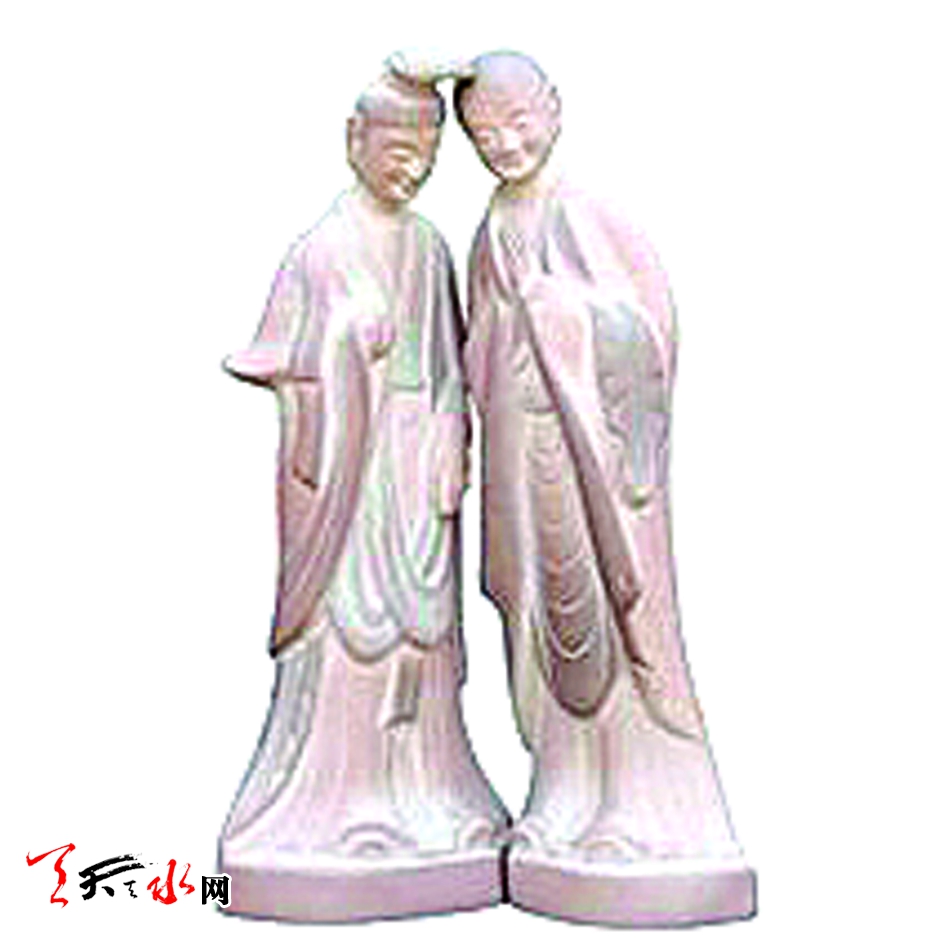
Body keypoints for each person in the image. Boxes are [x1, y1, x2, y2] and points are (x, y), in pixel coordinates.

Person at [456, 51, 753, 922]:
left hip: (588, 461)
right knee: (539, 622)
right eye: (484, 135)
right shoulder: (493, 224)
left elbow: (648, 331)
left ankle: (637, 804)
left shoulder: (586, 208)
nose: (505, 145)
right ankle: (562, 794)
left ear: (554, 108)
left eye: (518, 122)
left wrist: (567, 315)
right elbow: (479, 347)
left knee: (610, 628)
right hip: (522, 455)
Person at [217, 63, 507, 922]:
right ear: (355, 142)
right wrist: (344, 341)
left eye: (426, 153)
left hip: (417, 475)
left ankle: (431, 793)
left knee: (422, 642)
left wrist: (452, 435)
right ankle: (336, 801)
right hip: (355, 474)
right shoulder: (320, 251)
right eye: (394, 149)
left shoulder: (430, 248)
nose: (409, 168)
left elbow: (454, 363)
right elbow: (279, 361)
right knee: (353, 634)